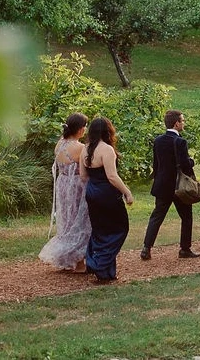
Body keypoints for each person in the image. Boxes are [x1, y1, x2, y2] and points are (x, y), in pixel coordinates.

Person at [140, 110, 200, 261]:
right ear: (176, 123)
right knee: (186, 217)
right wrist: (192, 161)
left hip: (162, 185)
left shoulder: (158, 140)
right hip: (178, 186)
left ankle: (146, 248)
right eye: (182, 120)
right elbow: (185, 165)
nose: (183, 123)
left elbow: (156, 164)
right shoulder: (180, 142)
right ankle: (185, 248)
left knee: (157, 217)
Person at [80, 117, 134, 283]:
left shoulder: (85, 149)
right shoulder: (107, 149)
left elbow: (83, 176)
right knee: (119, 228)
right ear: (108, 131)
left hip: (92, 192)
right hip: (106, 193)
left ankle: (106, 271)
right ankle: (100, 264)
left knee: (100, 230)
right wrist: (127, 192)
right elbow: (112, 176)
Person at [38, 113, 90, 272]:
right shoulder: (80, 148)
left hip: (63, 184)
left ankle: (65, 259)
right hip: (76, 186)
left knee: (66, 221)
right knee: (79, 221)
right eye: (85, 126)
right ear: (80, 129)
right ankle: (79, 262)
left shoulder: (59, 144)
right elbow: (84, 172)